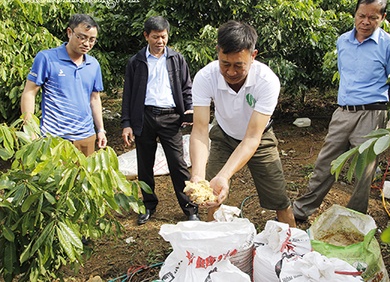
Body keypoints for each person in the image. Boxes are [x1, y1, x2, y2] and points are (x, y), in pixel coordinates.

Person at [292, 0, 390, 222]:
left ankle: (355, 217)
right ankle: (302, 210)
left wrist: (378, 106)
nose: (365, 22)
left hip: (373, 114)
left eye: (372, 18)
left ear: (382, 17)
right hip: (343, 112)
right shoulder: (343, 41)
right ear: (355, 14)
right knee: (326, 162)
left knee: (364, 171)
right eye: (361, 15)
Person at [189, 20, 296, 227]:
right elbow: (200, 129)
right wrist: (198, 176)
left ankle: (294, 247)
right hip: (224, 134)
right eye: (225, 64)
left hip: (259, 138)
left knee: (279, 199)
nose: (230, 72)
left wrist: (225, 176)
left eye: (239, 65)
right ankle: (212, 248)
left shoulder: (267, 81)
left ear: (253, 56)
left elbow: (252, 137)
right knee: (212, 196)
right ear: (218, 52)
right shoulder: (205, 77)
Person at [121, 16, 199, 225]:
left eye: (163, 37)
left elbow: (186, 87)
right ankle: (147, 205)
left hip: (170, 117)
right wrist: (127, 123)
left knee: (178, 164)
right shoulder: (136, 62)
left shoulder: (176, 59)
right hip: (144, 116)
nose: (160, 41)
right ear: (146, 36)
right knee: (144, 165)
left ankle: (190, 208)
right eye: (155, 37)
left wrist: (189, 110)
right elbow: (127, 94)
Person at [21, 14, 107, 157]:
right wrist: (30, 130)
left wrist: (101, 130)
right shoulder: (47, 58)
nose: (87, 43)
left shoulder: (93, 64)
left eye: (92, 40)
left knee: (84, 178)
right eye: (82, 37)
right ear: (69, 32)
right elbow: (29, 93)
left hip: (86, 136)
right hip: (54, 139)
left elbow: (95, 98)